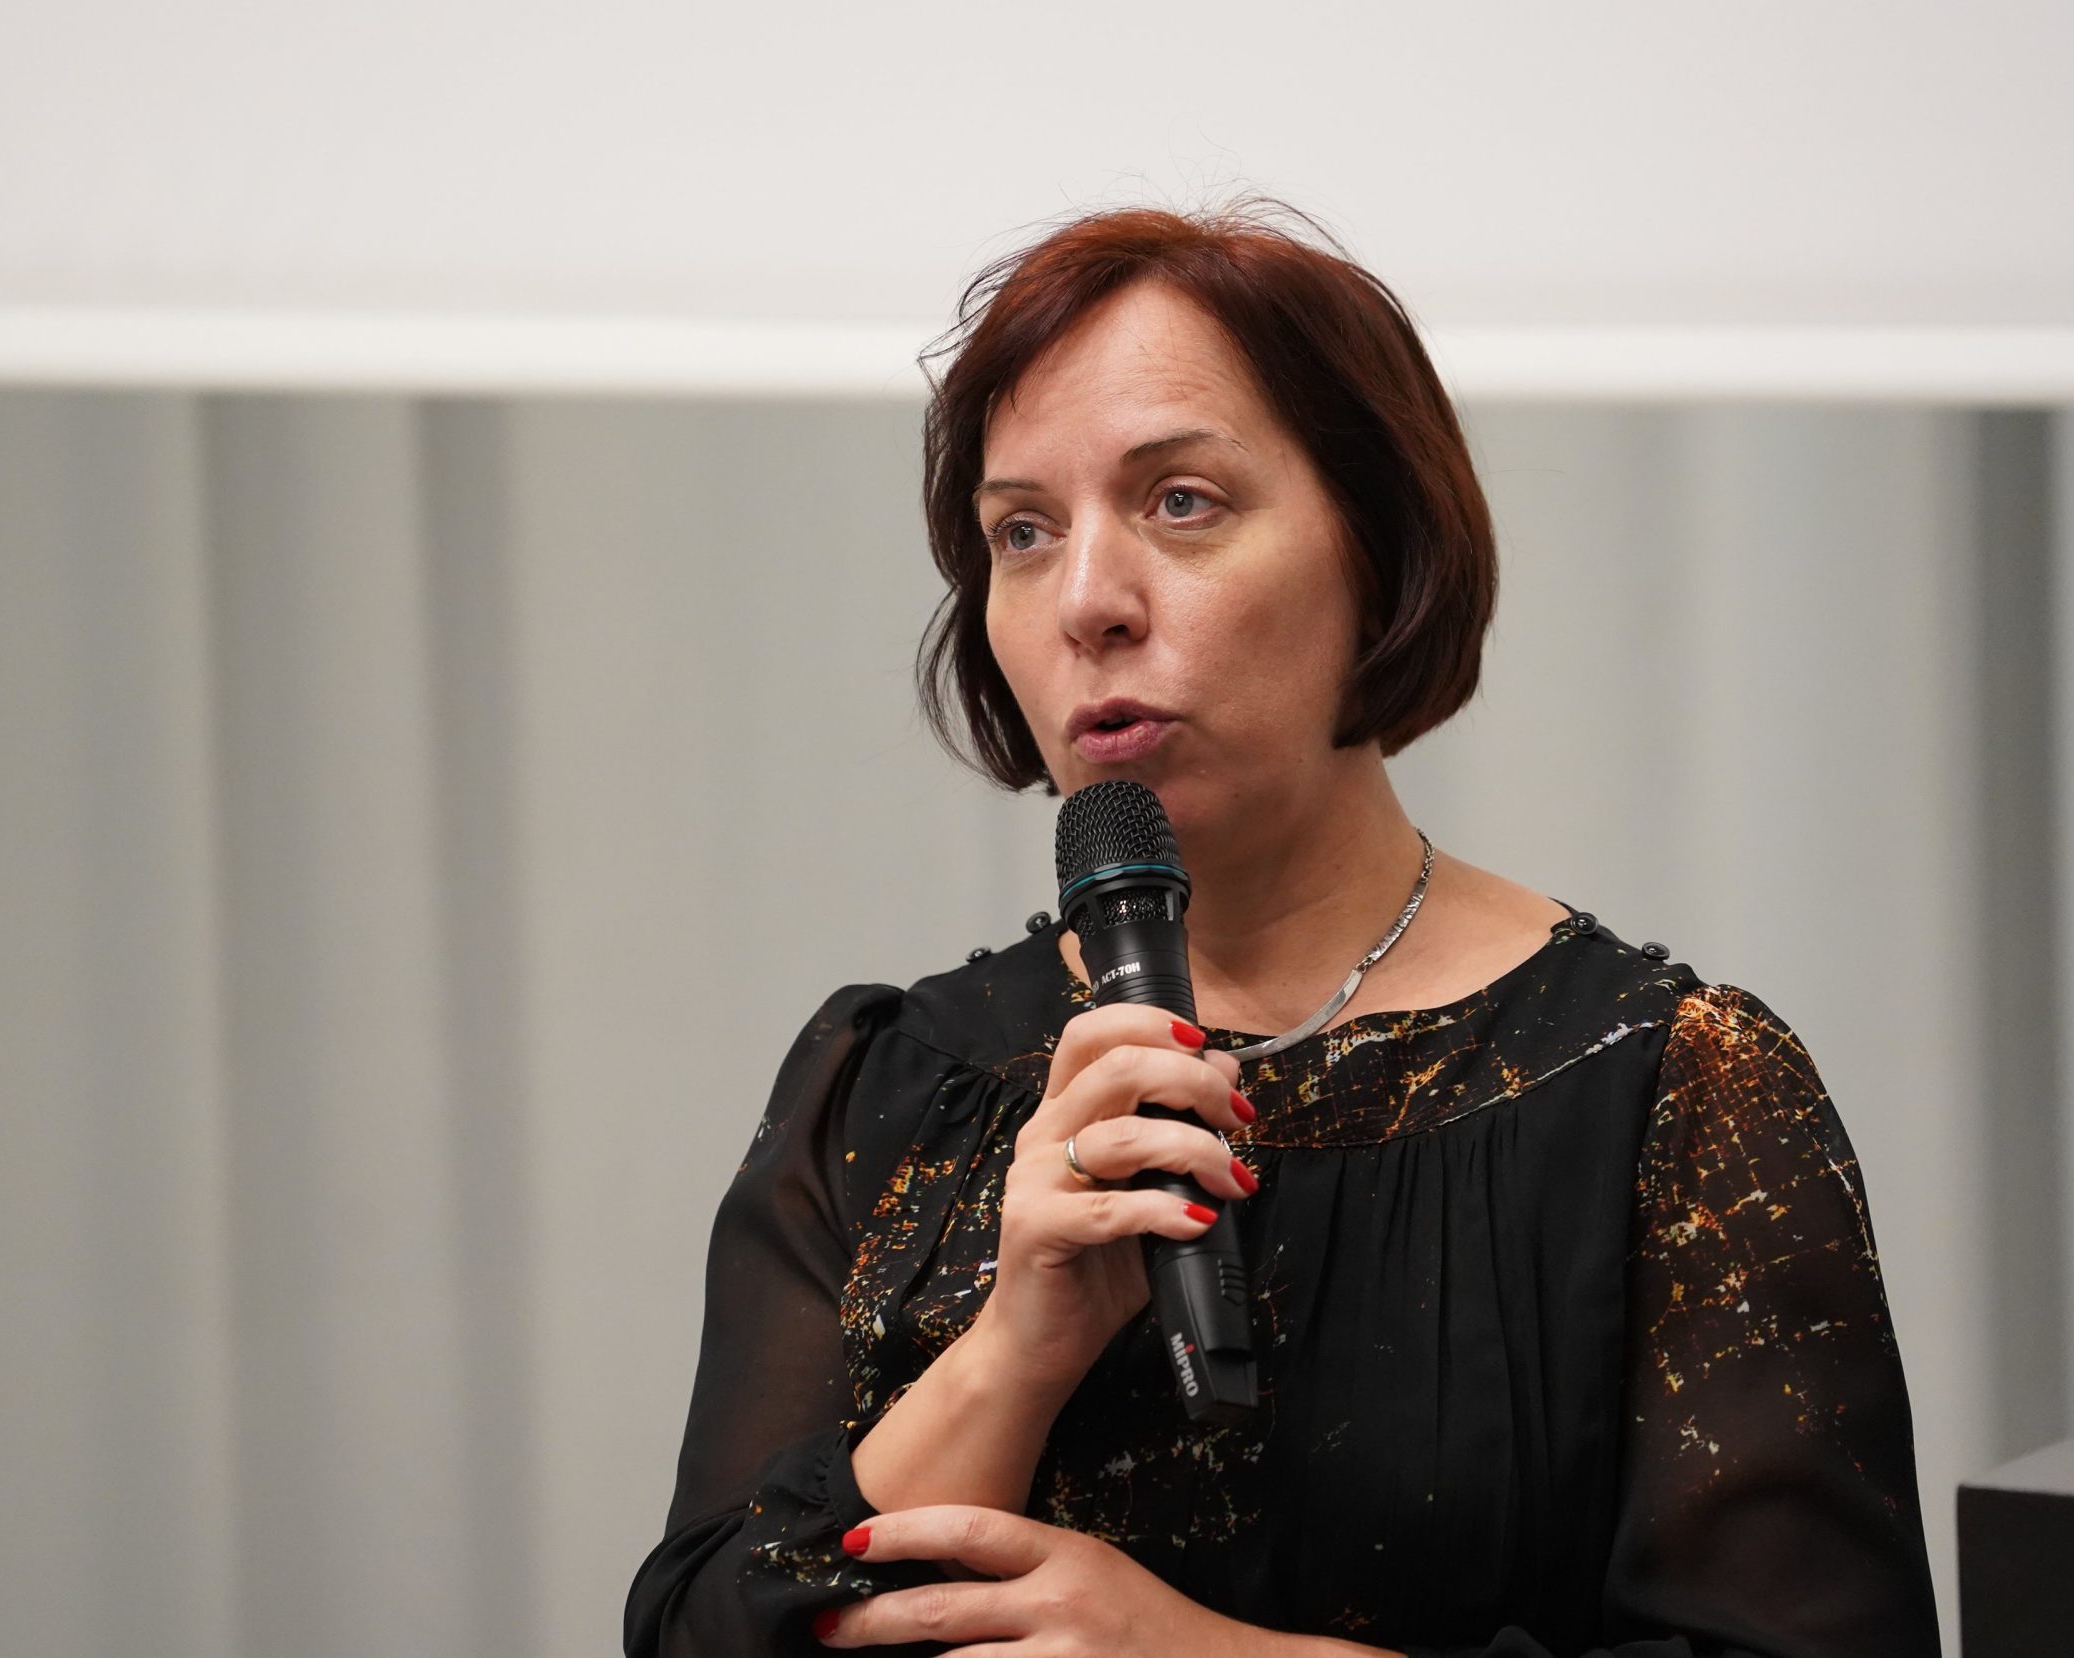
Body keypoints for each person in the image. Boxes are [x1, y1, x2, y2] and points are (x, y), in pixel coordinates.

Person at [623, 199, 1941, 1657]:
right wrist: (1018, 1344)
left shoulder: (1667, 1087)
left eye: (1181, 501)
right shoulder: (886, 1081)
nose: (1090, 602)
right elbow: (700, 1634)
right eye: (1023, 531)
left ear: (1378, 550)